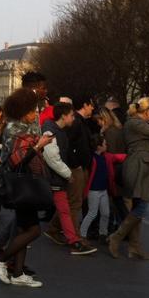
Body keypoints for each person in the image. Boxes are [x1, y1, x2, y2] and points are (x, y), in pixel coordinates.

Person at [0, 88, 52, 287]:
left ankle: (18, 273)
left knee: (23, 229)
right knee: (34, 230)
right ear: (23, 110)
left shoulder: (26, 126)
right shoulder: (15, 129)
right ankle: (0, 259)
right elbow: (17, 159)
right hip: (21, 183)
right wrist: (39, 145)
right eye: (32, 110)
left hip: (26, 181)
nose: (36, 112)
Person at [108, 96, 149, 260]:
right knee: (142, 208)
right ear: (147, 111)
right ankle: (117, 237)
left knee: (139, 205)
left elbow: (148, 138)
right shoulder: (136, 122)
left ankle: (134, 247)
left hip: (141, 165)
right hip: (139, 166)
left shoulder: (136, 123)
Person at [41, 102, 95, 255]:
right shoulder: (51, 131)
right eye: (71, 115)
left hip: (57, 179)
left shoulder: (60, 131)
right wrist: (68, 173)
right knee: (65, 209)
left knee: (64, 209)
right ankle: (74, 240)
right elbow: (52, 157)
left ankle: (73, 240)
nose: (73, 118)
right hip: (54, 178)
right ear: (64, 117)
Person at [80, 134, 126, 247]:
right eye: (105, 143)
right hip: (93, 191)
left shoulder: (106, 156)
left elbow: (119, 157)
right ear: (99, 146)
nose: (107, 145)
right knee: (92, 213)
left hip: (103, 190)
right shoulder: (92, 159)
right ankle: (82, 235)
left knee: (105, 213)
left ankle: (103, 234)